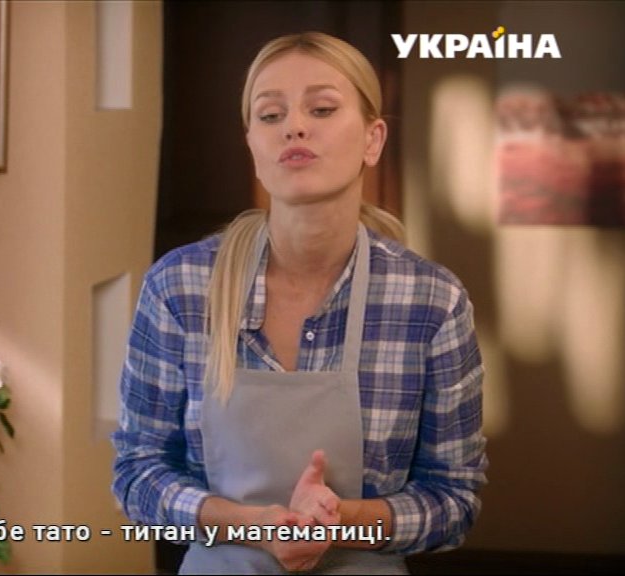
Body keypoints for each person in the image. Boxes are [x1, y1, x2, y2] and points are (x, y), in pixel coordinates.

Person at [112, 31, 487, 574]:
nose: (294, 126)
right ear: (252, 145)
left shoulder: (432, 302)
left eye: (322, 109)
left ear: (373, 139)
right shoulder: (180, 287)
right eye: (271, 115)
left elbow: (454, 499)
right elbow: (137, 473)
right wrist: (254, 526)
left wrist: (341, 521)